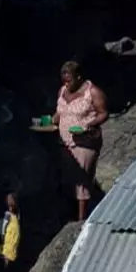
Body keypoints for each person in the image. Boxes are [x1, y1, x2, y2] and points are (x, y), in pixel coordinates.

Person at [55, 60, 108, 221]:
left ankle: (81, 219)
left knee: (82, 180)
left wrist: (89, 124)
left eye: (69, 80)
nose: (66, 83)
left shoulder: (93, 92)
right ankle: (72, 211)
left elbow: (103, 113)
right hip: (65, 142)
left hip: (85, 142)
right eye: (64, 80)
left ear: (79, 77)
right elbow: (60, 112)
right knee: (69, 178)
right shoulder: (63, 91)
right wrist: (50, 121)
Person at [0, 192, 21, 272]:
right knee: (6, 257)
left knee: (10, 257)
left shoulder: (17, 214)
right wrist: (2, 235)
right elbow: (4, 226)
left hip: (13, 240)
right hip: (8, 239)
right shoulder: (7, 214)